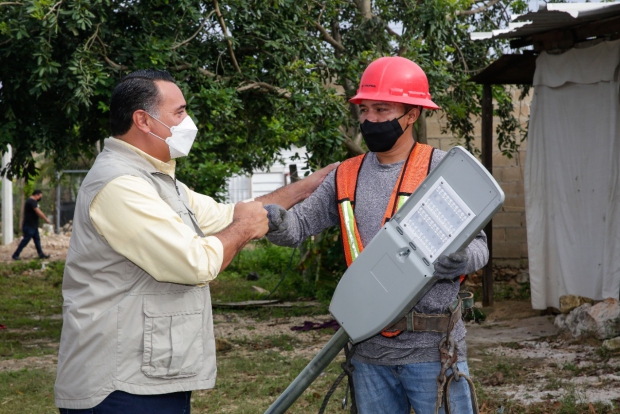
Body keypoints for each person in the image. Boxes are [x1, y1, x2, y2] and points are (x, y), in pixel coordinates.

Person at [54, 69, 336, 413]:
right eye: (179, 113)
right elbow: (196, 262)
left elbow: (229, 214)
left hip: (150, 374)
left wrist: (308, 186)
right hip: (119, 384)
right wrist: (246, 228)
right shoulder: (120, 185)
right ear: (143, 120)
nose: (188, 122)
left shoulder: (155, 178)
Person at [265, 56, 488, 414]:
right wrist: (273, 221)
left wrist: (460, 260)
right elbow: (298, 227)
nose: (370, 119)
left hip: (434, 351)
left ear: (412, 114)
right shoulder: (345, 175)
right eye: (364, 109)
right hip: (369, 352)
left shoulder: (443, 171)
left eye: (382, 109)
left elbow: (480, 248)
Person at [12, 189, 51, 260]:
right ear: (36, 195)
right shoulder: (32, 202)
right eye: (40, 196)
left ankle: (41, 254)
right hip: (29, 225)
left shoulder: (32, 201)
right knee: (25, 240)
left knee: (37, 240)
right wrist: (46, 219)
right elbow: (38, 211)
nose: (40, 198)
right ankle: (16, 254)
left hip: (33, 225)